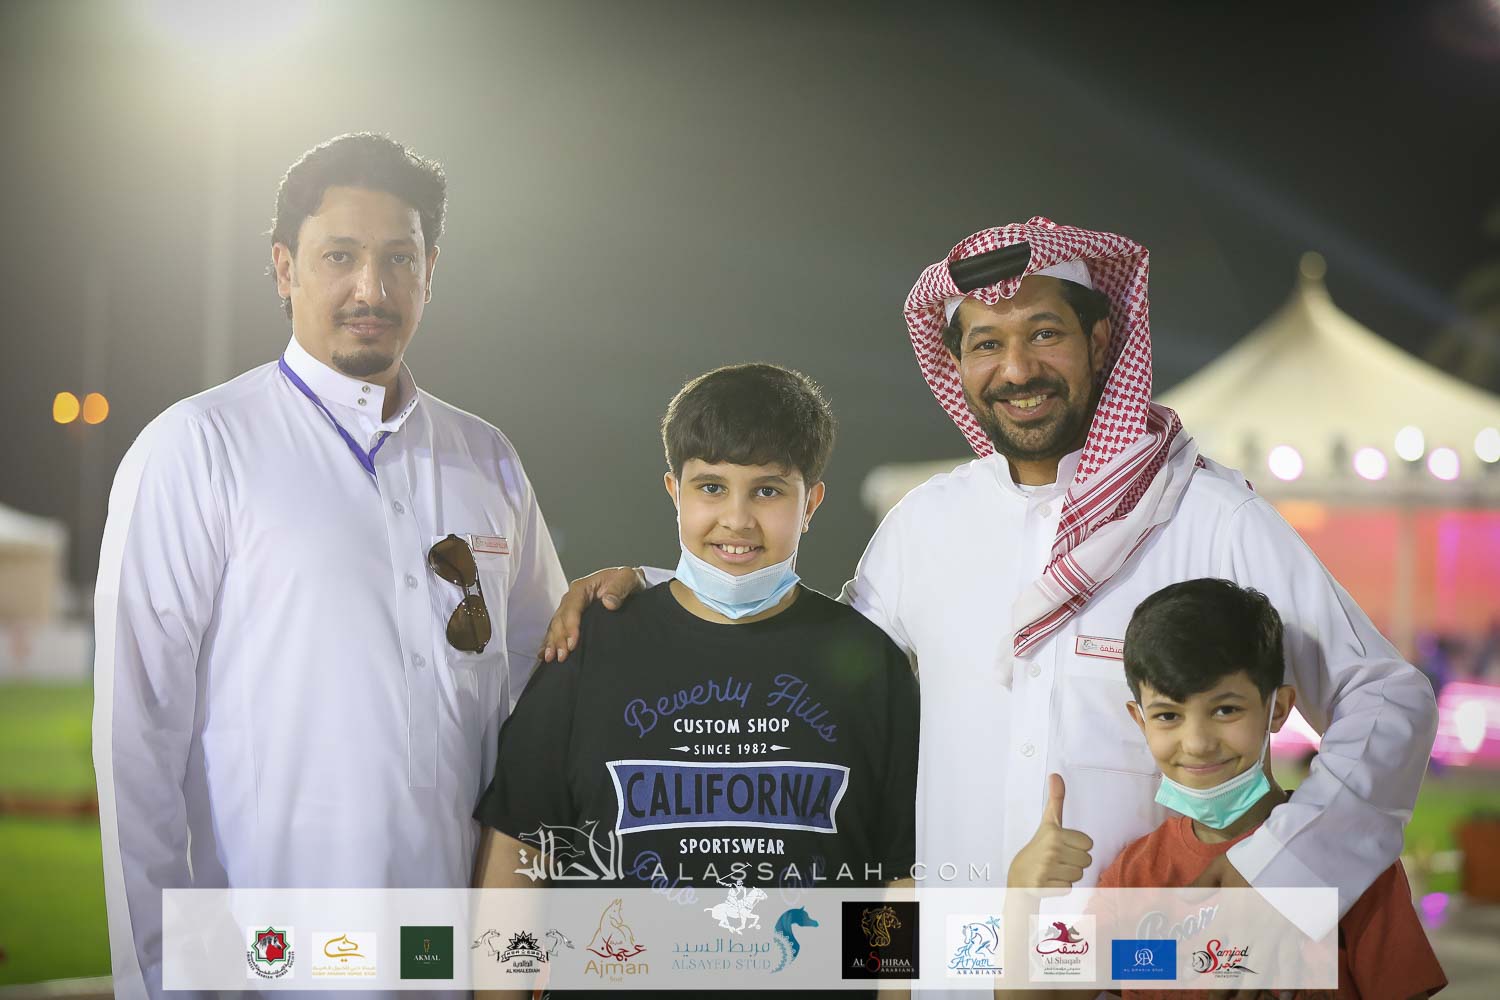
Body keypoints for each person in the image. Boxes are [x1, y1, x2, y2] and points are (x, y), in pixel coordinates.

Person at [542, 219, 1439, 994]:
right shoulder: (926, 523)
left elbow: (1385, 698)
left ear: (1101, 341)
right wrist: (663, 590)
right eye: (984, 343)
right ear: (957, 363)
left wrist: (1279, 876)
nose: (1016, 369)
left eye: (1044, 334)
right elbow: (804, 660)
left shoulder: (1210, 516)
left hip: (1142, 970)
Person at [92, 133, 567, 998]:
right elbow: (136, 742)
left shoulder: (488, 460)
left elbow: (543, 715)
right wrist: (160, 981)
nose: (371, 290)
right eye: (339, 256)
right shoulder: (199, 447)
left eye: (399, 259)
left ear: (431, 271)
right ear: (284, 268)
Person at [471, 364, 918, 997]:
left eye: (767, 491)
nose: (736, 519)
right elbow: (521, 850)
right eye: (711, 487)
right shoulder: (591, 646)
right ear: (674, 492)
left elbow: (899, 877)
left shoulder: (869, 661)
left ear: (810, 503)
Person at [1008, 578, 1446, 999]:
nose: (1197, 742)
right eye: (1168, 716)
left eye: (1225, 710)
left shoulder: (1342, 860)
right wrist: (1021, 895)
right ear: (1140, 720)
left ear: (1279, 709)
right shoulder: (1136, 879)